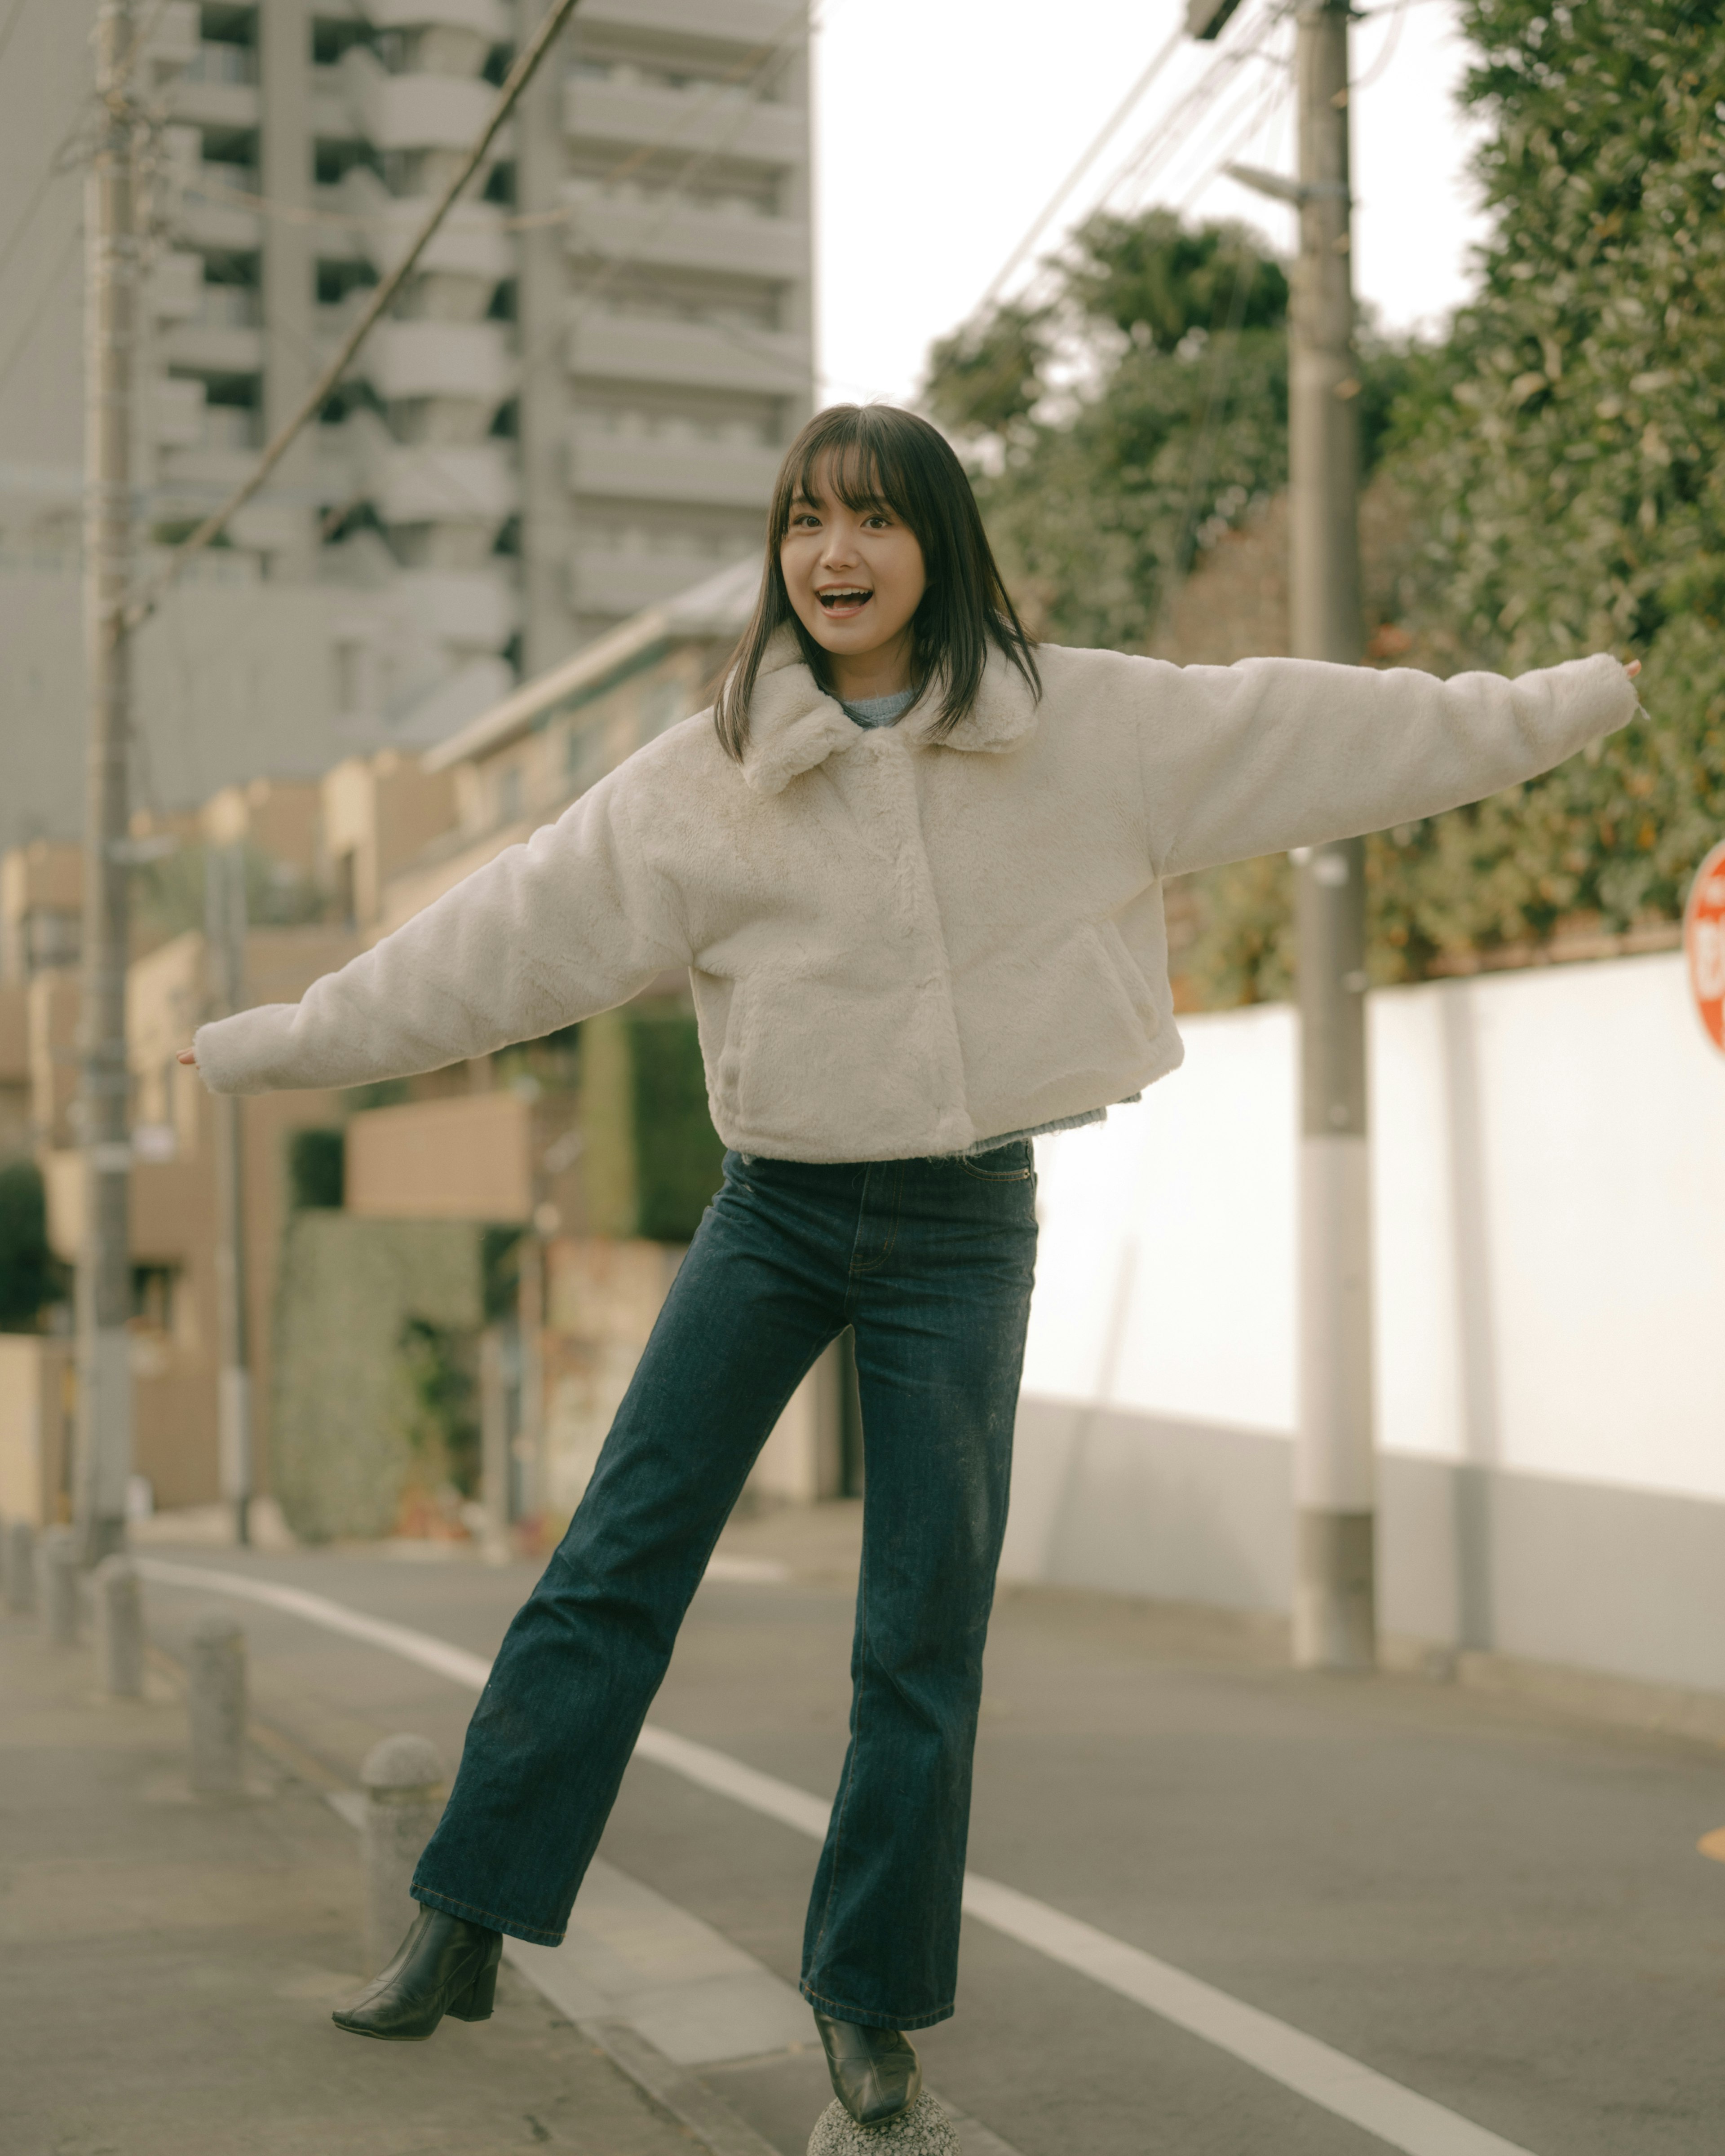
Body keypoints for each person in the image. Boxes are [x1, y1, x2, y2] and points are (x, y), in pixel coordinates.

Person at [181, 402, 1640, 2124]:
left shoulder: (1084, 725)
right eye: (804, 522)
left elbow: (1309, 727)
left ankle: (869, 2018)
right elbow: (504, 940)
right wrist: (273, 1044)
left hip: (965, 1219)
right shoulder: (710, 771)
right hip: (774, 1212)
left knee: (921, 1630)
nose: (835, 555)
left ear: (937, 543)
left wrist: (1562, 705)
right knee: (616, 1559)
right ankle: (466, 1914)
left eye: (872, 521)